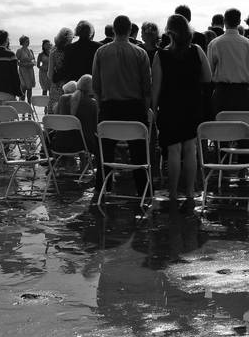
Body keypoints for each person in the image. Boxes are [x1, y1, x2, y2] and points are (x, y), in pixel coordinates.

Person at [91, 14, 152, 199]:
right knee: (139, 156)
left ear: (114, 30)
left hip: (109, 107)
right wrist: (145, 110)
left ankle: (102, 190)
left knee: (105, 156)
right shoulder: (140, 53)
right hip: (134, 108)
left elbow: (96, 86)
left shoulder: (101, 52)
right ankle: (144, 193)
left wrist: (102, 107)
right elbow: (146, 87)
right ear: (129, 30)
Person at [152, 14, 212, 200]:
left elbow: (156, 87)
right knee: (190, 149)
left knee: (173, 150)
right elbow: (208, 77)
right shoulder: (197, 51)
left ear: (169, 32)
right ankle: (189, 192)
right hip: (192, 104)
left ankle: (172, 193)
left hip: (170, 106)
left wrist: (153, 110)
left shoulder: (161, 54)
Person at [207, 8, 249, 114]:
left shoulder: (215, 43)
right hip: (243, 93)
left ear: (224, 21)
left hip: (222, 92)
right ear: (239, 22)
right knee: (242, 127)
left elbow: (210, 70)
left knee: (221, 127)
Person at [53, 75, 99, 157]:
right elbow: (95, 129)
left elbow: (56, 120)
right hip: (81, 146)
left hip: (59, 143)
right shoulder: (92, 103)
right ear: (91, 88)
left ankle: (67, 162)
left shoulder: (63, 98)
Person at [46, 27, 74, 112]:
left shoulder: (53, 52)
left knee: (55, 116)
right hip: (70, 87)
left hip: (56, 87)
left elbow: (50, 75)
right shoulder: (72, 51)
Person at [16, 35, 37, 103]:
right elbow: (16, 62)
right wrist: (24, 65)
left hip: (30, 70)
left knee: (30, 88)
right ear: (22, 42)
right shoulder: (19, 51)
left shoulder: (30, 50)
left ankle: (29, 104)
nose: (28, 42)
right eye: (27, 41)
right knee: (23, 88)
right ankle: (22, 106)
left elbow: (34, 60)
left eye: (28, 41)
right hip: (23, 70)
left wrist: (33, 63)